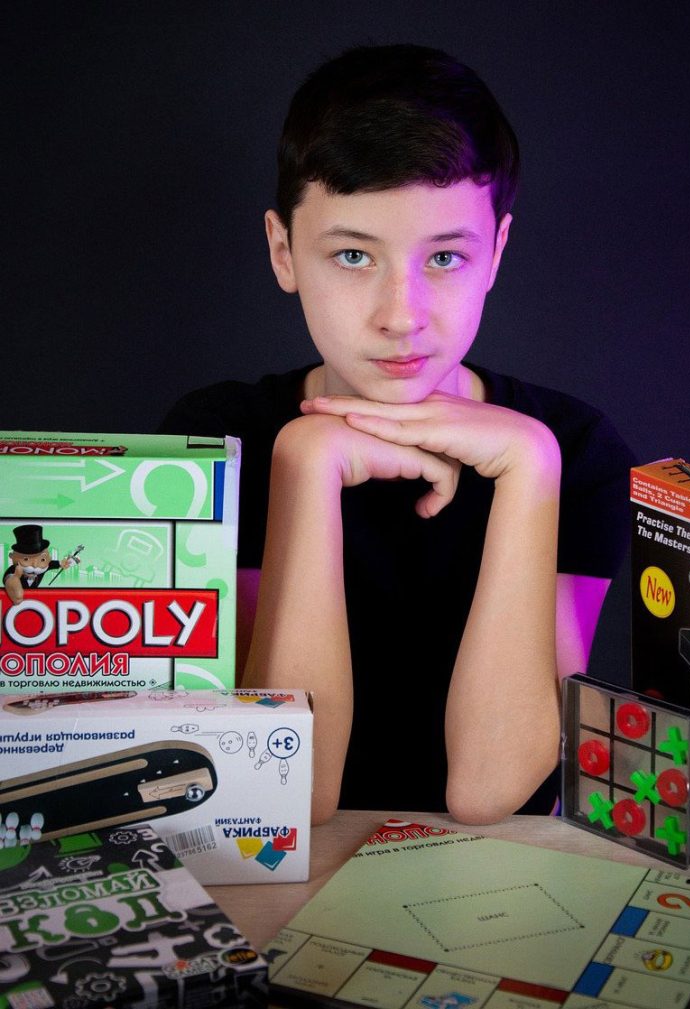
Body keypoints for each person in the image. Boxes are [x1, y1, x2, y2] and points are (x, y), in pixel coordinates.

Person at [161, 44, 634, 825]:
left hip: (492, 882)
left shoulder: (573, 450)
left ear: (496, 253)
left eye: (444, 256)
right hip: (285, 879)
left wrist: (528, 467)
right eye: (353, 255)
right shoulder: (215, 444)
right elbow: (278, 799)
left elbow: (496, 792)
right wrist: (304, 463)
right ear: (283, 251)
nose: (401, 315)